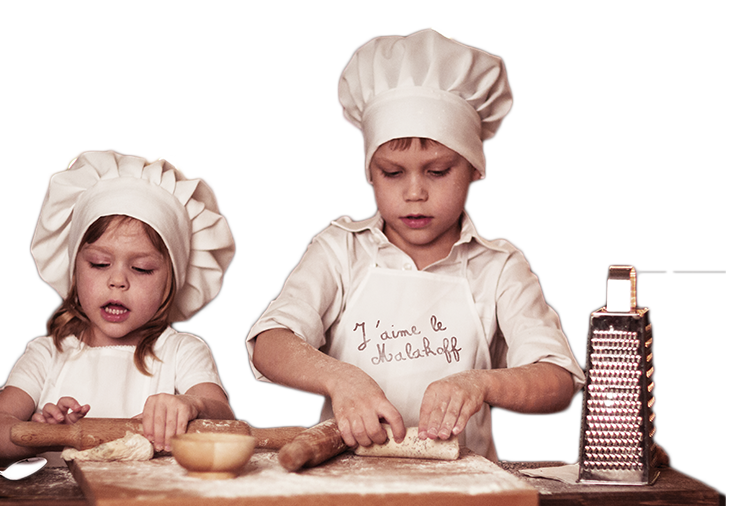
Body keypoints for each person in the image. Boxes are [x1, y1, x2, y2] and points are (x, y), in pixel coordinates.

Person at [246, 29, 585, 460]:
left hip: (464, 490)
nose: (414, 193)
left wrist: (479, 382)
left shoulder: (498, 267)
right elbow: (270, 344)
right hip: (348, 484)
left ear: (474, 169)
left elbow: (556, 381)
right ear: (370, 171)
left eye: (438, 171)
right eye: (392, 172)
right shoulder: (341, 251)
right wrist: (340, 378)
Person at [0, 151, 236, 462]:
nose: (118, 281)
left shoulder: (181, 352)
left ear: (171, 282)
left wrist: (193, 405)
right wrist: (44, 435)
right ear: (74, 270)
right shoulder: (47, 355)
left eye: (142, 269)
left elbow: (225, 420)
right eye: (99, 264)